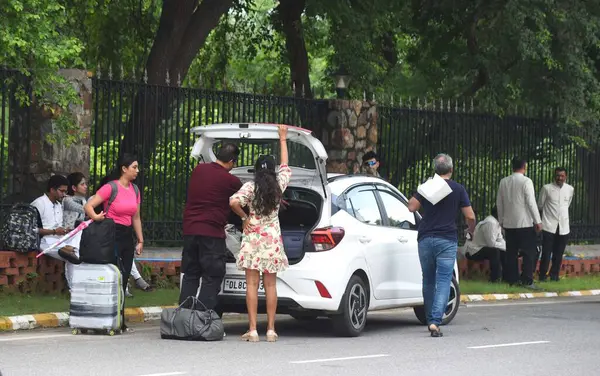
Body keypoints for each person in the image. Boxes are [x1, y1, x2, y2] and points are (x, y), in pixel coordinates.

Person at [229, 124, 291, 342]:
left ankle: (253, 330)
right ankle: (272, 330)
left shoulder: (250, 187)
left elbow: (233, 201)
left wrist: (244, 218)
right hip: (272, 240)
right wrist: (282, 138)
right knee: (271, 285)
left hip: (253, 239)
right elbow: (285, 166)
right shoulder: (279, 186)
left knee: (252, 286)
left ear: (256, 171)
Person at [408, 153, 475, 338]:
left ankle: (430, 319)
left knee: (428, 279)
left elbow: (411, 206)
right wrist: (471, 230)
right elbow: (470, 216)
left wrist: (423, 190)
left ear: (435, 170)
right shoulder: (458, 189)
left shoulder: (428, 187)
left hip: (425, 239)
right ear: (451, 170)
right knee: (444, 280)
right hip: (446, 240)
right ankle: (435, 322)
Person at [84, 154, 144, 333]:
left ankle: (119, 319)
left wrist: (140, 239)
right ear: (124, 169)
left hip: (126, 235)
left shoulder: (135, 190)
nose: (137, 171)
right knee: (112, 275)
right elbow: (88, 206)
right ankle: (103, 317)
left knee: (124, 277)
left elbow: (136, 216)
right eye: (134, 167)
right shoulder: (111, 188)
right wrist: (95, 217)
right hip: (110, 233)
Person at [179, 143, 243, 311]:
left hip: (190, 230)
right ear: (231, 161)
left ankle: (184, 317)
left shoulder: (199, 170)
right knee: (212, 276)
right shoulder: (231, 180)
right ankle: (201, 318)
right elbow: (244, 200)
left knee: (191, 274)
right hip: (211, 234)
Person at [496, 157, 542, 289]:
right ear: (524, 166)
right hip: (524, 223)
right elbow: (531, 202)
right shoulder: (526, 181)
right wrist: (537, 221)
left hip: (509, 223)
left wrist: (501, 220)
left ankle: (512, 280)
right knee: (528, 252)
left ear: (512, 167)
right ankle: (527, 280)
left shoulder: (503, 182)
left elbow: (499, 202)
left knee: (511, 253)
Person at [31, 175, 81, 265]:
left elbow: (59, 227)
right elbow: (32, 230)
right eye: (61, 191)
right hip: (44, 241)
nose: (64, 194)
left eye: (66, 191)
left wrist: (66, 231)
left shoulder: (58, 205)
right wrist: (54, 231)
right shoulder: (39, 203)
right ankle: (69, 250)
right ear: (52, 190)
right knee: (74, 257)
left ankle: (69, 249)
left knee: (80, 230)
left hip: (59, 239)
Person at [537, 167, 574, 281]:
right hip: (549, 226)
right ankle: (542, 276)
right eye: (558, 175)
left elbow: (567, 204)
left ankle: (554, 276)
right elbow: (540, 206)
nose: (560, 178)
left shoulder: (570, 189)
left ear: (565, 177)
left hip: (563, 227)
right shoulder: (547, 188)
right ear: (554, 176)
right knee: (546, 253)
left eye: (562, 176)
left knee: (558, 254)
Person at [463, 206, 506, 283]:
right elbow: (491, 243)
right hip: (473, 250)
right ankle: (495, 279)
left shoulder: (496, 223)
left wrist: (508, 247)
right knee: (494, 251)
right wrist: (469, 233)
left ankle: (506, 277)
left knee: (504, 251)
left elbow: (500, 240)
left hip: (483, 248)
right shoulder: (489, 223)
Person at [62, 172, 88, 289]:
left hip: (78, 235)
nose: (85, 186)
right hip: (67, 234)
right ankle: (72, 286)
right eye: (82, 184)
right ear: (74, 187)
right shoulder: (67, 200)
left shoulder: (83, 199)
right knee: (73, 255)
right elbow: (85, 210)